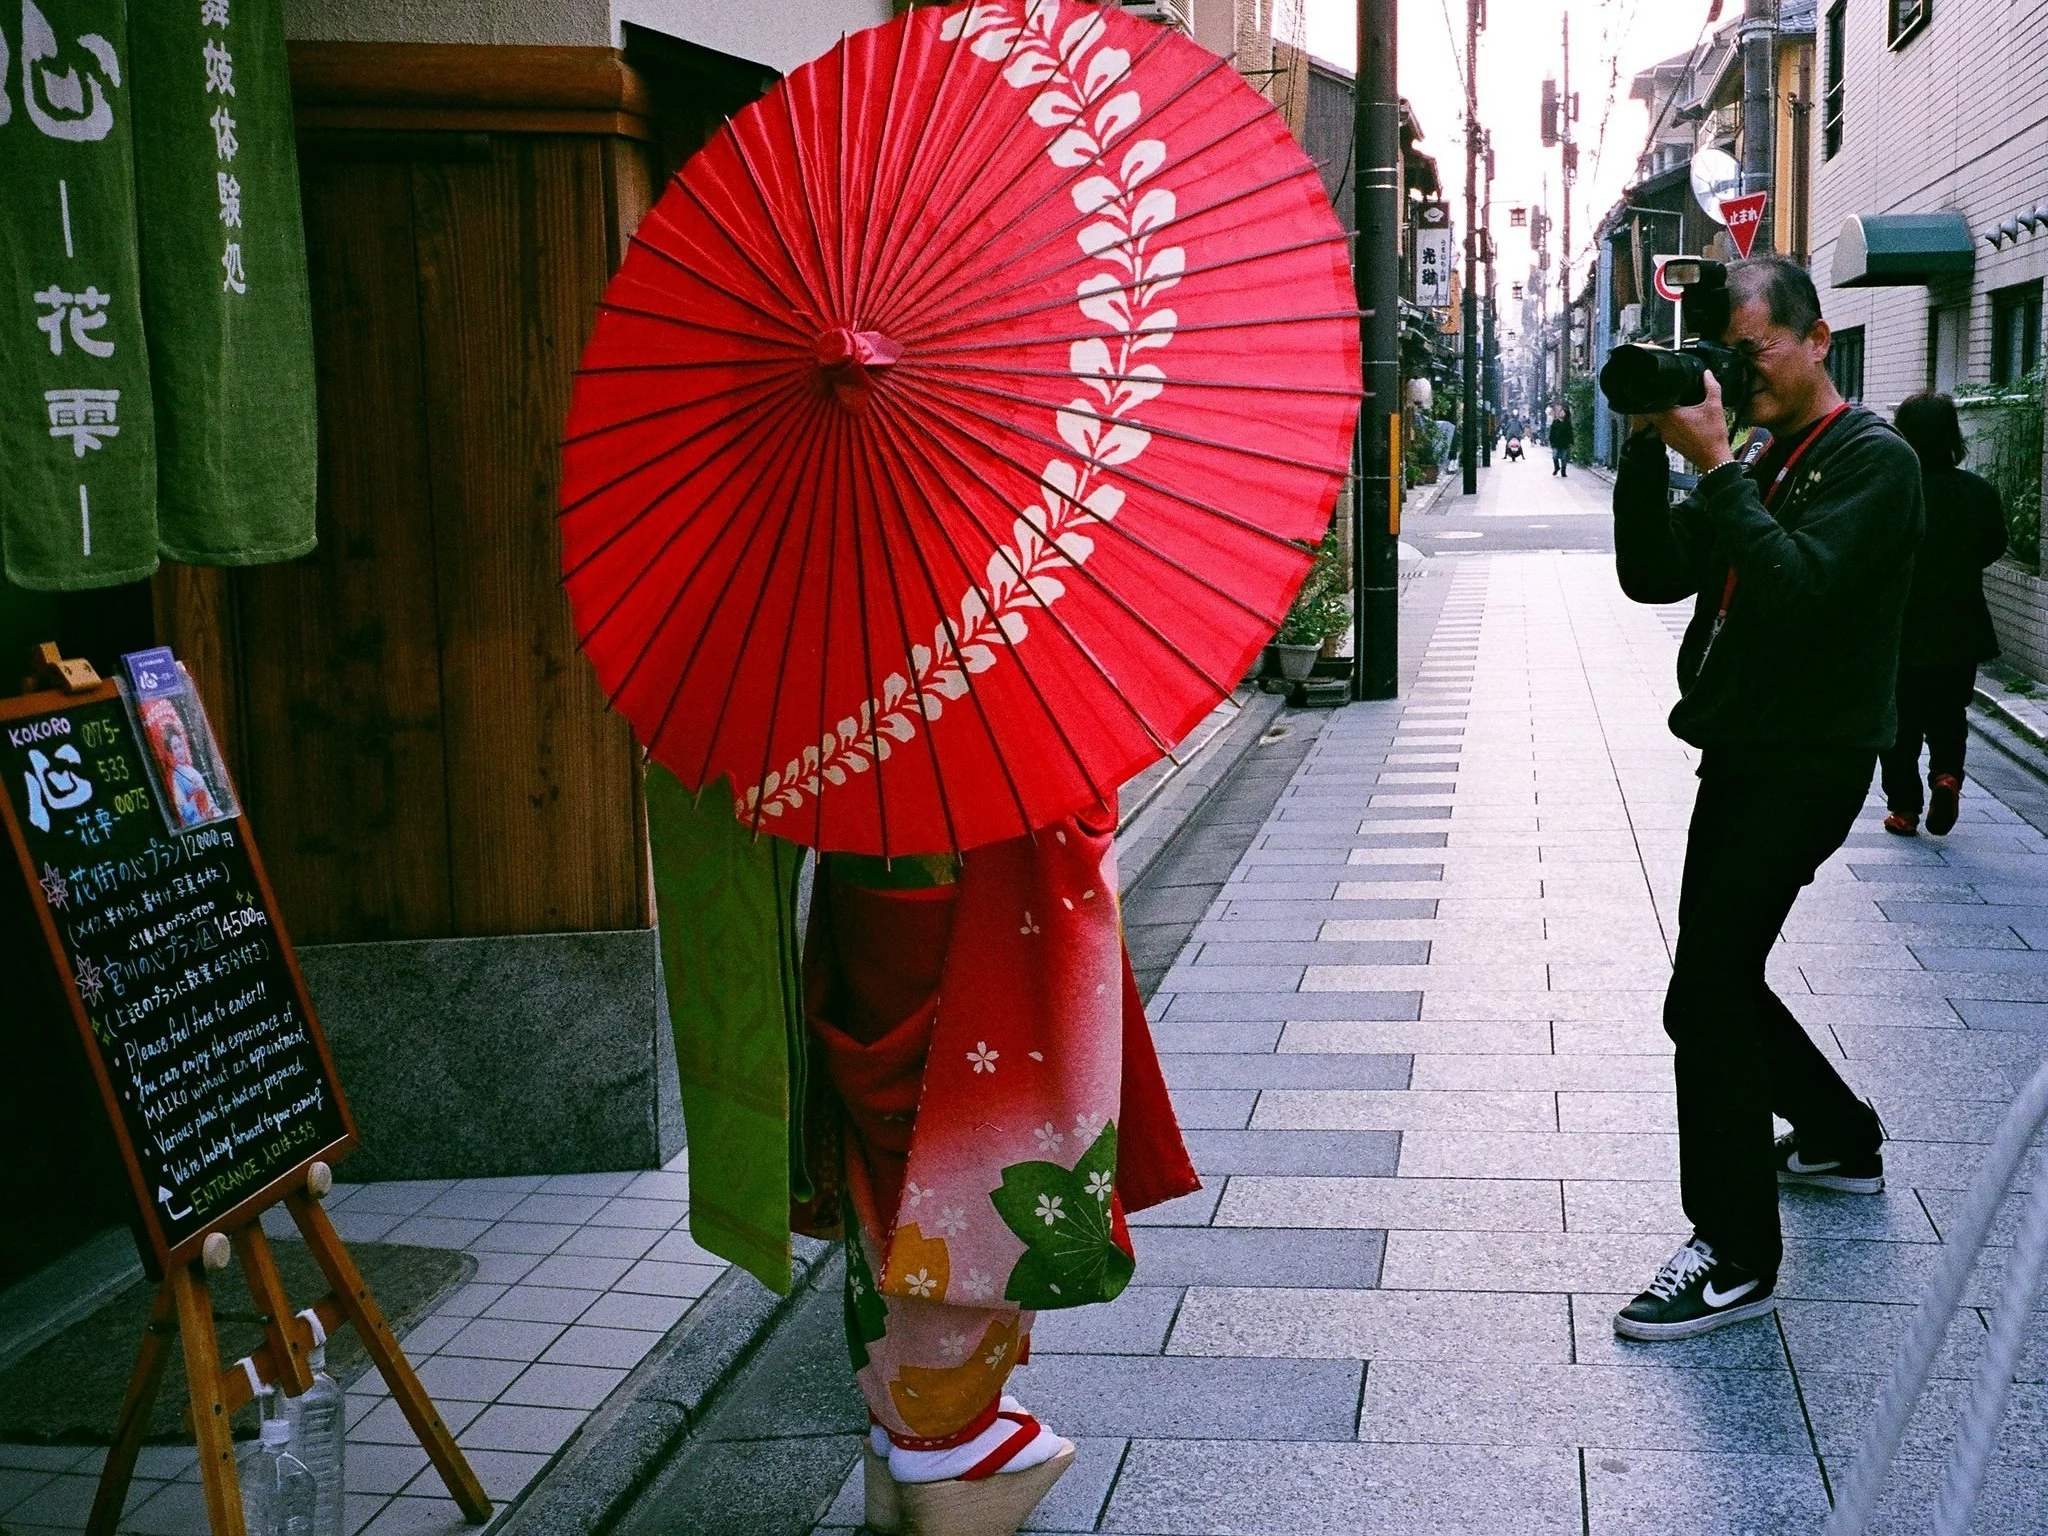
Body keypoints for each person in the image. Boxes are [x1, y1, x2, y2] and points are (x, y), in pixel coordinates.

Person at [1610, 254, 1923, 1341]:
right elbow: (1653, 576)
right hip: (1743, 751)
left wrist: (1720, 471)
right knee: (1713, 986)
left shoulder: (1870, 462)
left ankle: (1734, 1251)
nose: (1733, 377)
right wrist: (1653, 450)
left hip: (1806, 759)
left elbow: (1793, 595)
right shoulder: (1756, 453)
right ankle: (1836, 1135)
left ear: (1814, 339)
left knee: (1703, 995)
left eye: (1748, 353)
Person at [799, 812, 1198, 1534]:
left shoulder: (842, 738)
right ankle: (943, 1445)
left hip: (867, 881)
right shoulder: (988, 732)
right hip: (973, 891)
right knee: (970, 1177)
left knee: (893, 1184)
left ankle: (901, 1432)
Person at [1879, 391, 2008, 837]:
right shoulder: (1978, 492)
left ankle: (1904, 808)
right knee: (1950, 711)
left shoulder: (1893, 489)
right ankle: (1947, 776)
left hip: (1901, 625)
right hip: (1960, 626)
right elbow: (1995, 546)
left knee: (1898, 718)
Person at [1548, 407, 1574, 475]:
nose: (1561, 413)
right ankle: (1556, 467)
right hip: (1556, 442)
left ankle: (1563, 470)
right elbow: (1552, 432)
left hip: (1565, 443)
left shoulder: (1567, 423)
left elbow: (1570, 433)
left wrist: (1571, 442)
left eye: (1563, 412)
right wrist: (1551, 441)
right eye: (1560, 412)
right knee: (1555, 456)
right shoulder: (1555, 422)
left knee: (1564, 457)